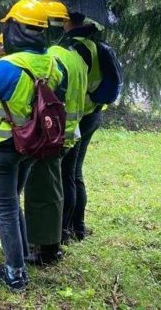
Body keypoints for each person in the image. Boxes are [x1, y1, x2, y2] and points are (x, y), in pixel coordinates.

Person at [0, 0, 64, 291]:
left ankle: (15, 273)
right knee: (14, 202)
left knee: (6, 208)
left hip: (0, 145)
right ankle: (20, 256)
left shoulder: (7, 67)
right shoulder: (51, 63)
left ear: (15, 30)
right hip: (32, 145)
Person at [23, 0, 87, 265]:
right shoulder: (77, 57)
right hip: (70, 131)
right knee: (62, 184)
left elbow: (46, 100)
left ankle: (45, 248)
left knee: (42, 190)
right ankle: (58, 237)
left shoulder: (54, 58)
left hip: (52, 136)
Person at [62, 12, 105, 242]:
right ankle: (78, 227)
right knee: (75, 172)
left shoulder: (78, 49)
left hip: (81, 114)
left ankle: (67, 229)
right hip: (94, 113)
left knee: (67, 173)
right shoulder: (95, 44)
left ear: (68, 21)